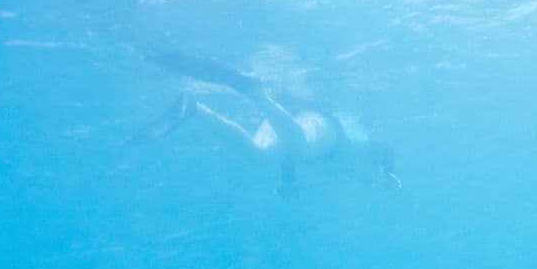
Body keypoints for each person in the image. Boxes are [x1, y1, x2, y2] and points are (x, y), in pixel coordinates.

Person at [134, 51, 401, 195]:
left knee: (259, 155)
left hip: (300, 127)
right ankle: (255, 91)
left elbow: (290, 149)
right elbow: (383, 147)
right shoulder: (370, 160)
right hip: (329, 129)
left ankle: (194, 108)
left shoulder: (356, 173)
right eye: (380, 183)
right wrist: (388, 170)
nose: (375, 184)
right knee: (303, 145)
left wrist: (288, 180)